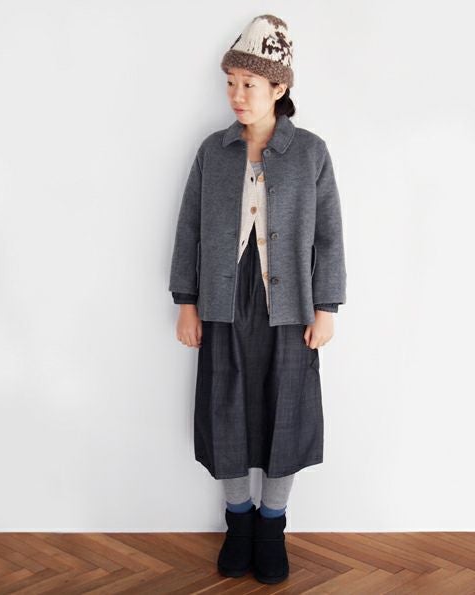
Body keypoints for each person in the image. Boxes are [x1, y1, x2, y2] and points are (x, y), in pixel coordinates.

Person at [168, 14, 347, 585]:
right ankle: (238, 520)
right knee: (225, 408)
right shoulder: (213, 151)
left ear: (279, 87)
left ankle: (272, 525)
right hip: (224, 299)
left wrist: (326, 307)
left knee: (285, 411)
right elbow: (189, 229)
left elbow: (329, 235)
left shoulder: (311, 152)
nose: (237, 95)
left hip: (290, 304)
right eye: (231, 83)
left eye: (249, 83)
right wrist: (187, 301)